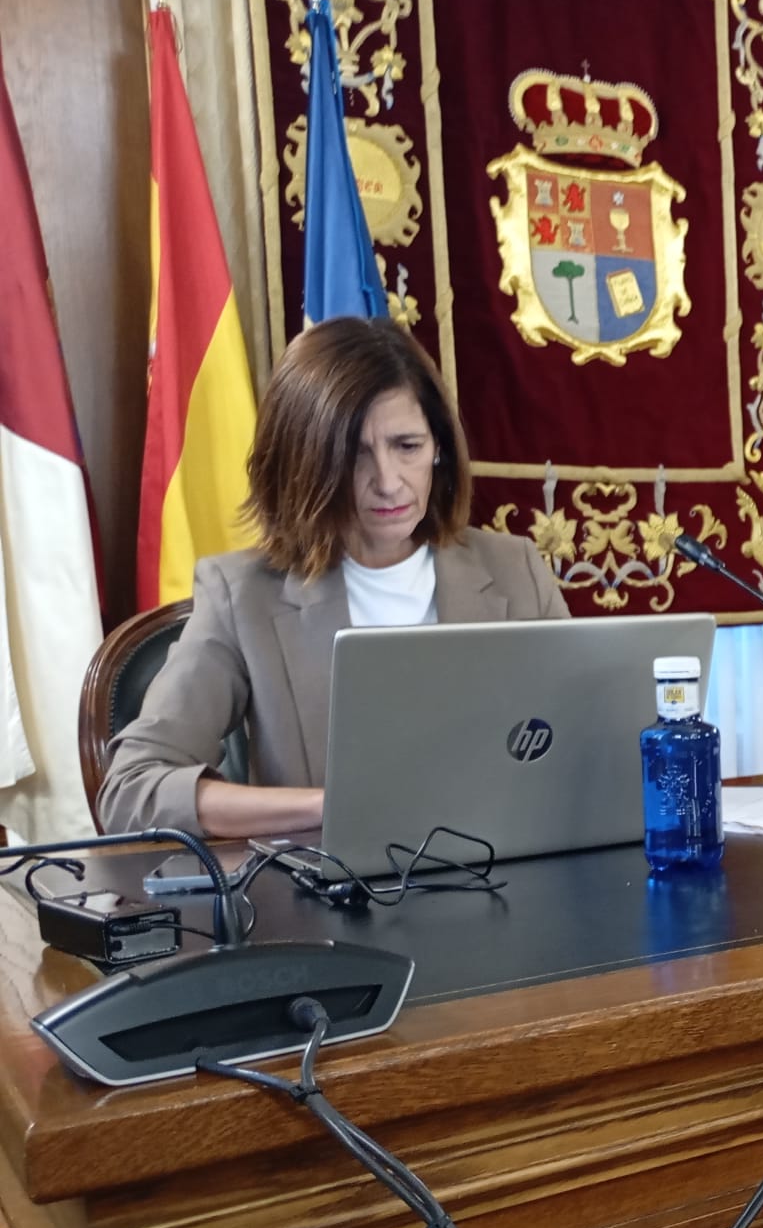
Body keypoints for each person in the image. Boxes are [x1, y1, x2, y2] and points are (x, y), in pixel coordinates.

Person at [99, 318, 569, 838]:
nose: (388, 481)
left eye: (407, 446)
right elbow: (131, 790)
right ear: (306, 462)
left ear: (439, 447)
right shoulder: (242, 595)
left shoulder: (515, 570)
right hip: (334, 883)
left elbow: (588, 745)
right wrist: (331, 807)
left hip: (505, 871)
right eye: (354, 454)